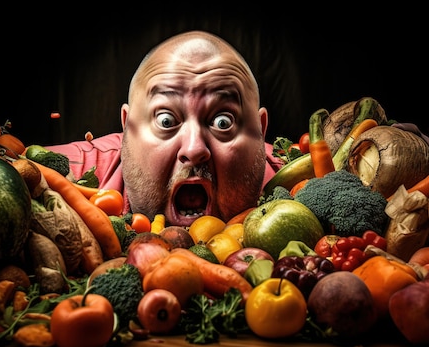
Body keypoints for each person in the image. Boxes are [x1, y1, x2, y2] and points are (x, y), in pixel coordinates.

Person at [47, 30, 284, 228]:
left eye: (223, 122)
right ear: (127, 128)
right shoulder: (58, 176)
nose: (194, 149)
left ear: (261, 131)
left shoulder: (304, 184)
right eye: (166, 121)